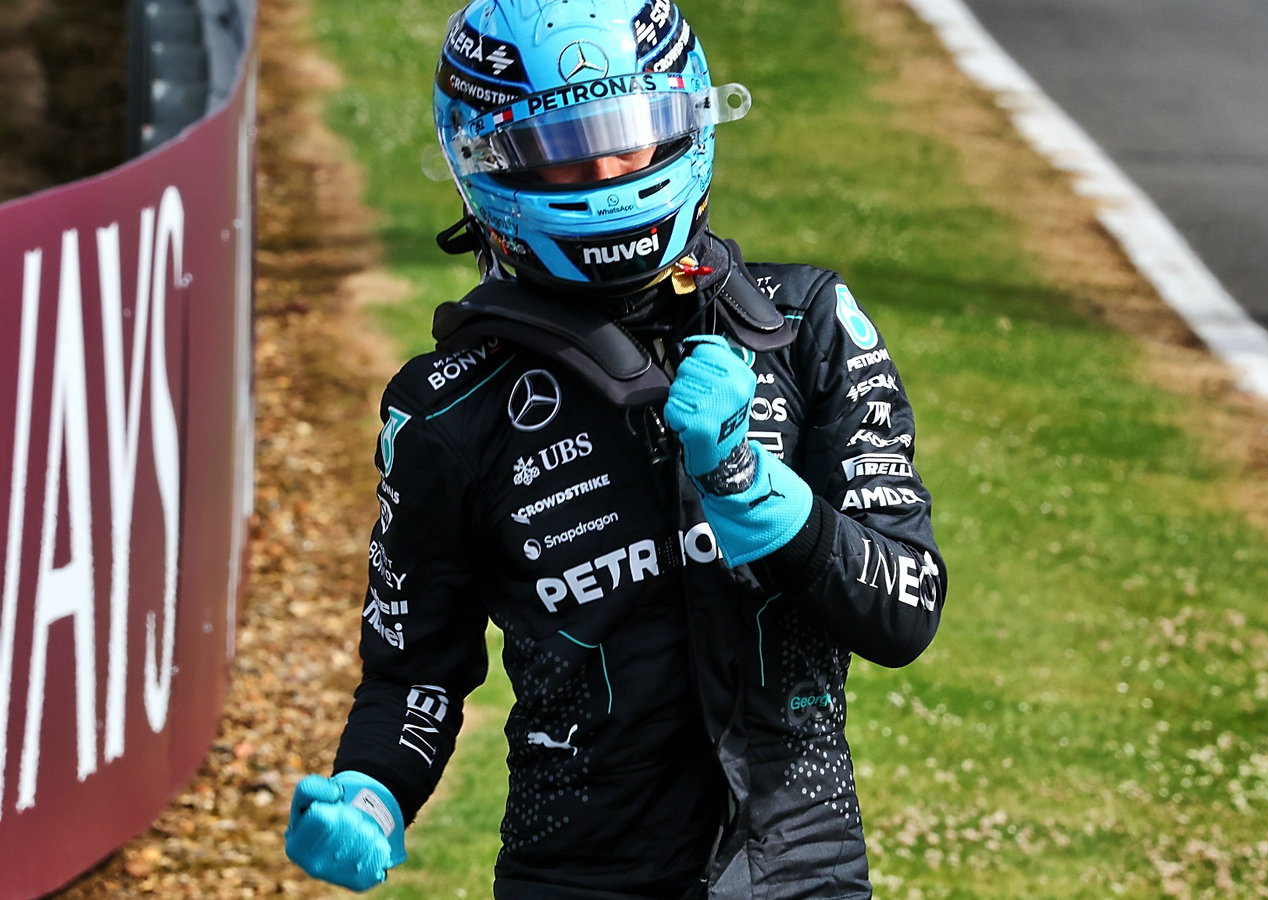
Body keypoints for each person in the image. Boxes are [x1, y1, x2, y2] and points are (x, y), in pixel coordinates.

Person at [283, 1, 946, 897]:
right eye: (565, 148)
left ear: (688, 119)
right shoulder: (446, 408)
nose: (604, 172)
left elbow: (906, 609)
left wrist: (753, 492)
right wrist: (371, 795)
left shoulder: (807, 326)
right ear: (490, 161)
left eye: (629, 140)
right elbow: (413, 674)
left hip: (803, 872)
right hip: (576, 876)